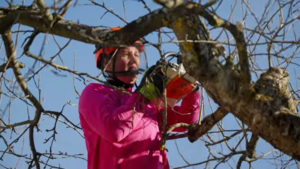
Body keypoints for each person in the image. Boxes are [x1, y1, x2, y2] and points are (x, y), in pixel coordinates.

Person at [78, 27, 200, 169]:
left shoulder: (148, 105)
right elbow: (114, 130)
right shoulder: (95, 93)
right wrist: (144, 95)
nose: (133, 61)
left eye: (136, 54)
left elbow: (186, 119)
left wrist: (190, 84)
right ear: (107, 63)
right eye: (125, 54)